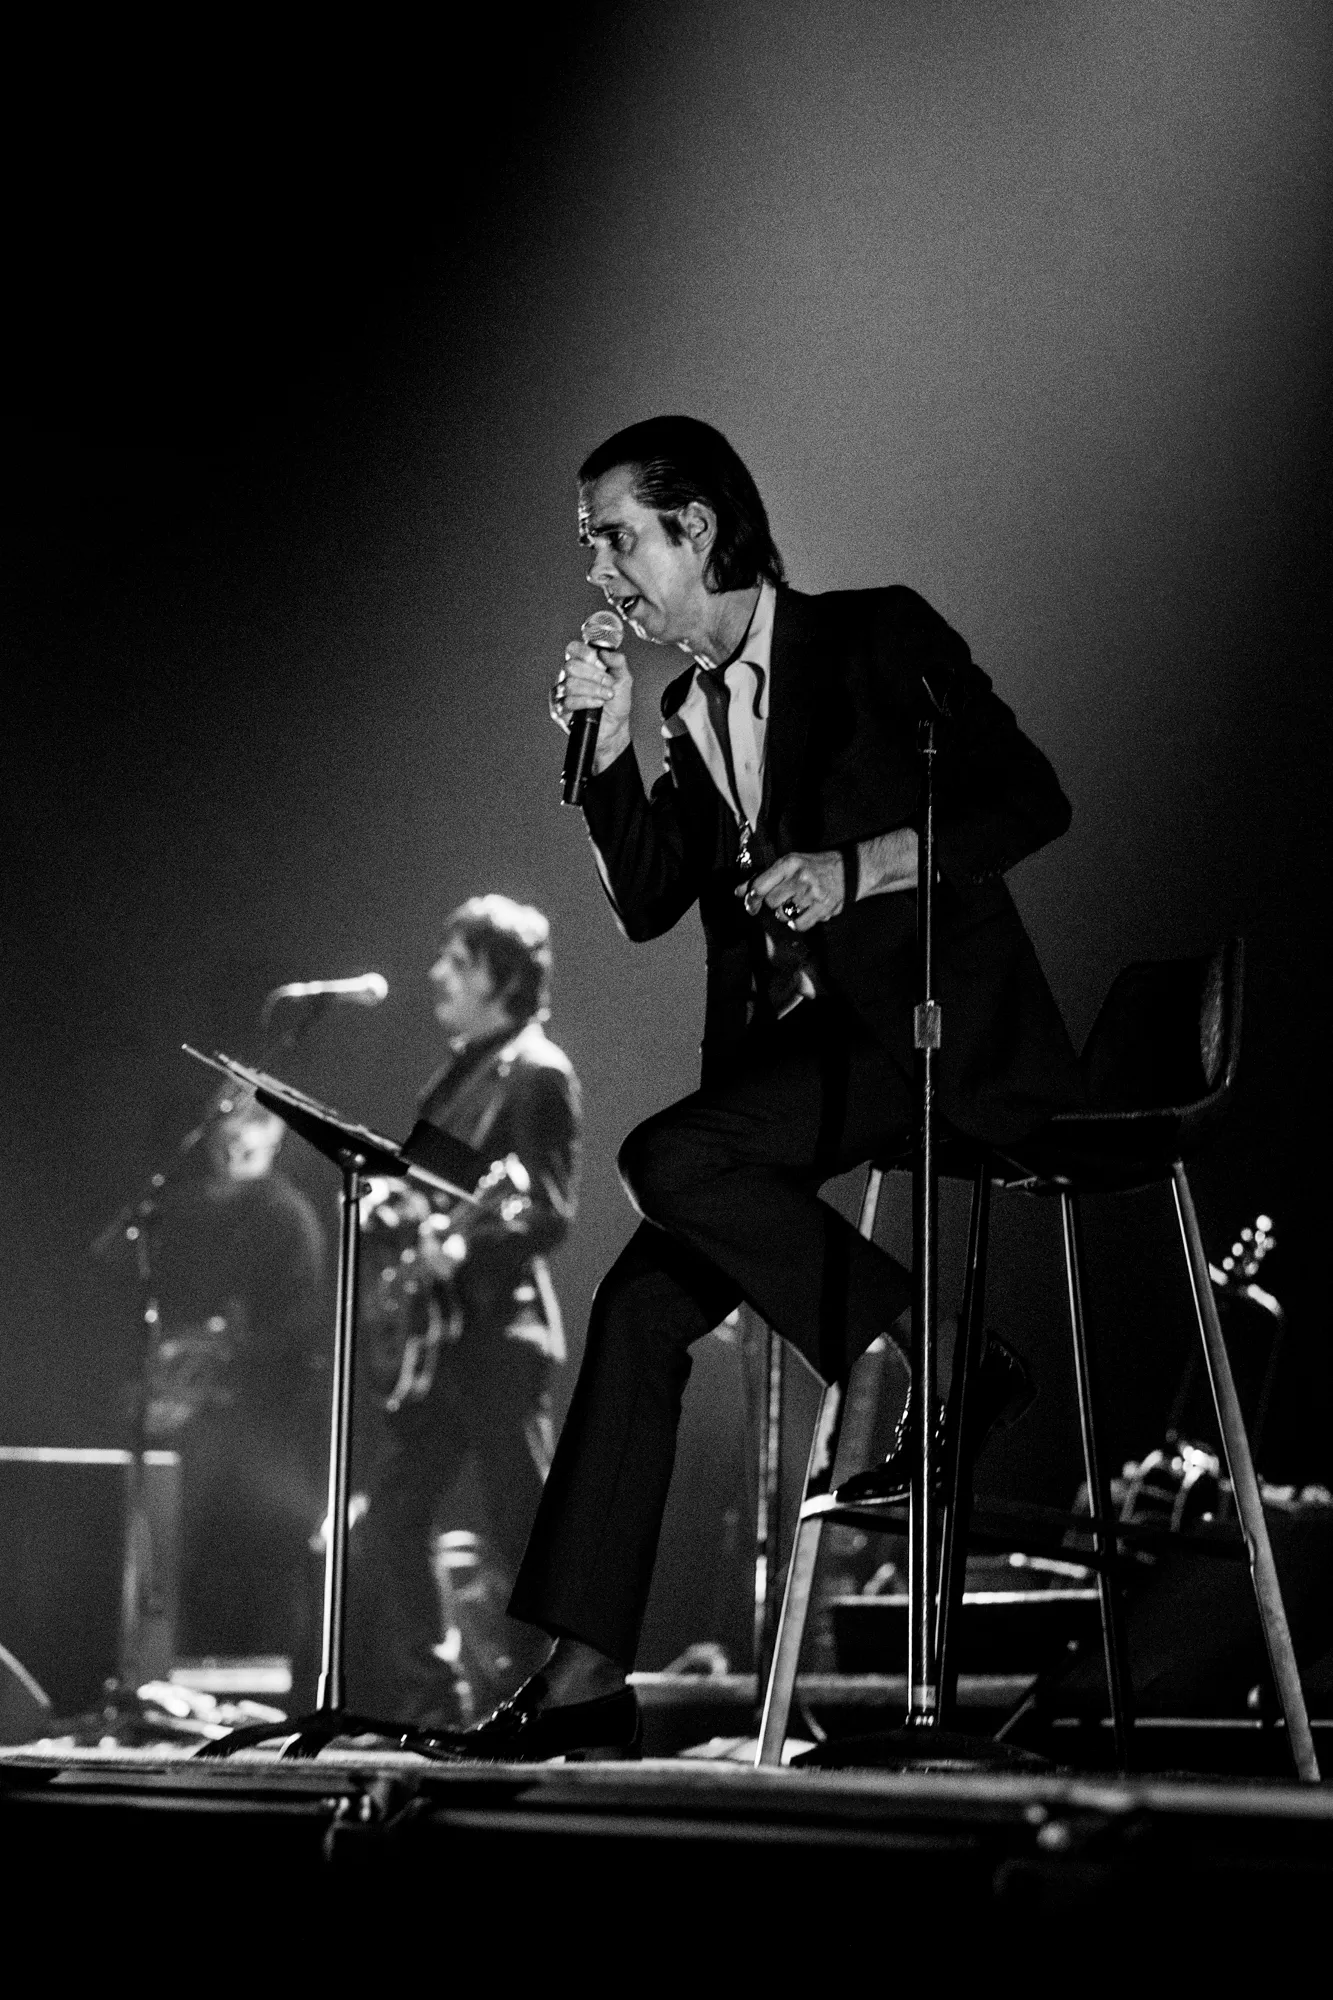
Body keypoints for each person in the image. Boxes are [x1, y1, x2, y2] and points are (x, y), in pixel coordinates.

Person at [440, 414, 1085, 1762]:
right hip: (788, 1073)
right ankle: (583, 1682)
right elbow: (649, 900)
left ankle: (946, 1355)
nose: (602, 572)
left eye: (617, 538)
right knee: (636, 1311)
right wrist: (605, 753)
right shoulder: (685, 711)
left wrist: (856, 870)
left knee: (665, 1160)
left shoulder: (870, 637)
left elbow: (1028, 800)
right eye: (591, 547)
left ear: (699, 528)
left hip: (924, 1030)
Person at [349, 896, 582, 1726]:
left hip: (498, 1336)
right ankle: (434, 1705)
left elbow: (545, 1211)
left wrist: (464, 1247)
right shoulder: (456, 1076)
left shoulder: (537, 1072)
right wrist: (392, 1209)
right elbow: (430, 1189)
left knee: (522, 1530)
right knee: (389, 1519)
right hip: (442, 1341)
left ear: (500, 976)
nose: (436, 974)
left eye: (456, 961)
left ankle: (541, 1705)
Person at [145, 1097, 327, 1676]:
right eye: (225, 1139)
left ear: (273, 1141)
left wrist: (222, 1351)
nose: (232, 1153)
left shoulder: (286, 1217)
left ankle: (276, 1676)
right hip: (191, 1415)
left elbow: (302, 1327)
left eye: (247, 1142)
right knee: (178, 1546)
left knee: (263, 1549)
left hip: (263, 1420)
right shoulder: (179, 1211)